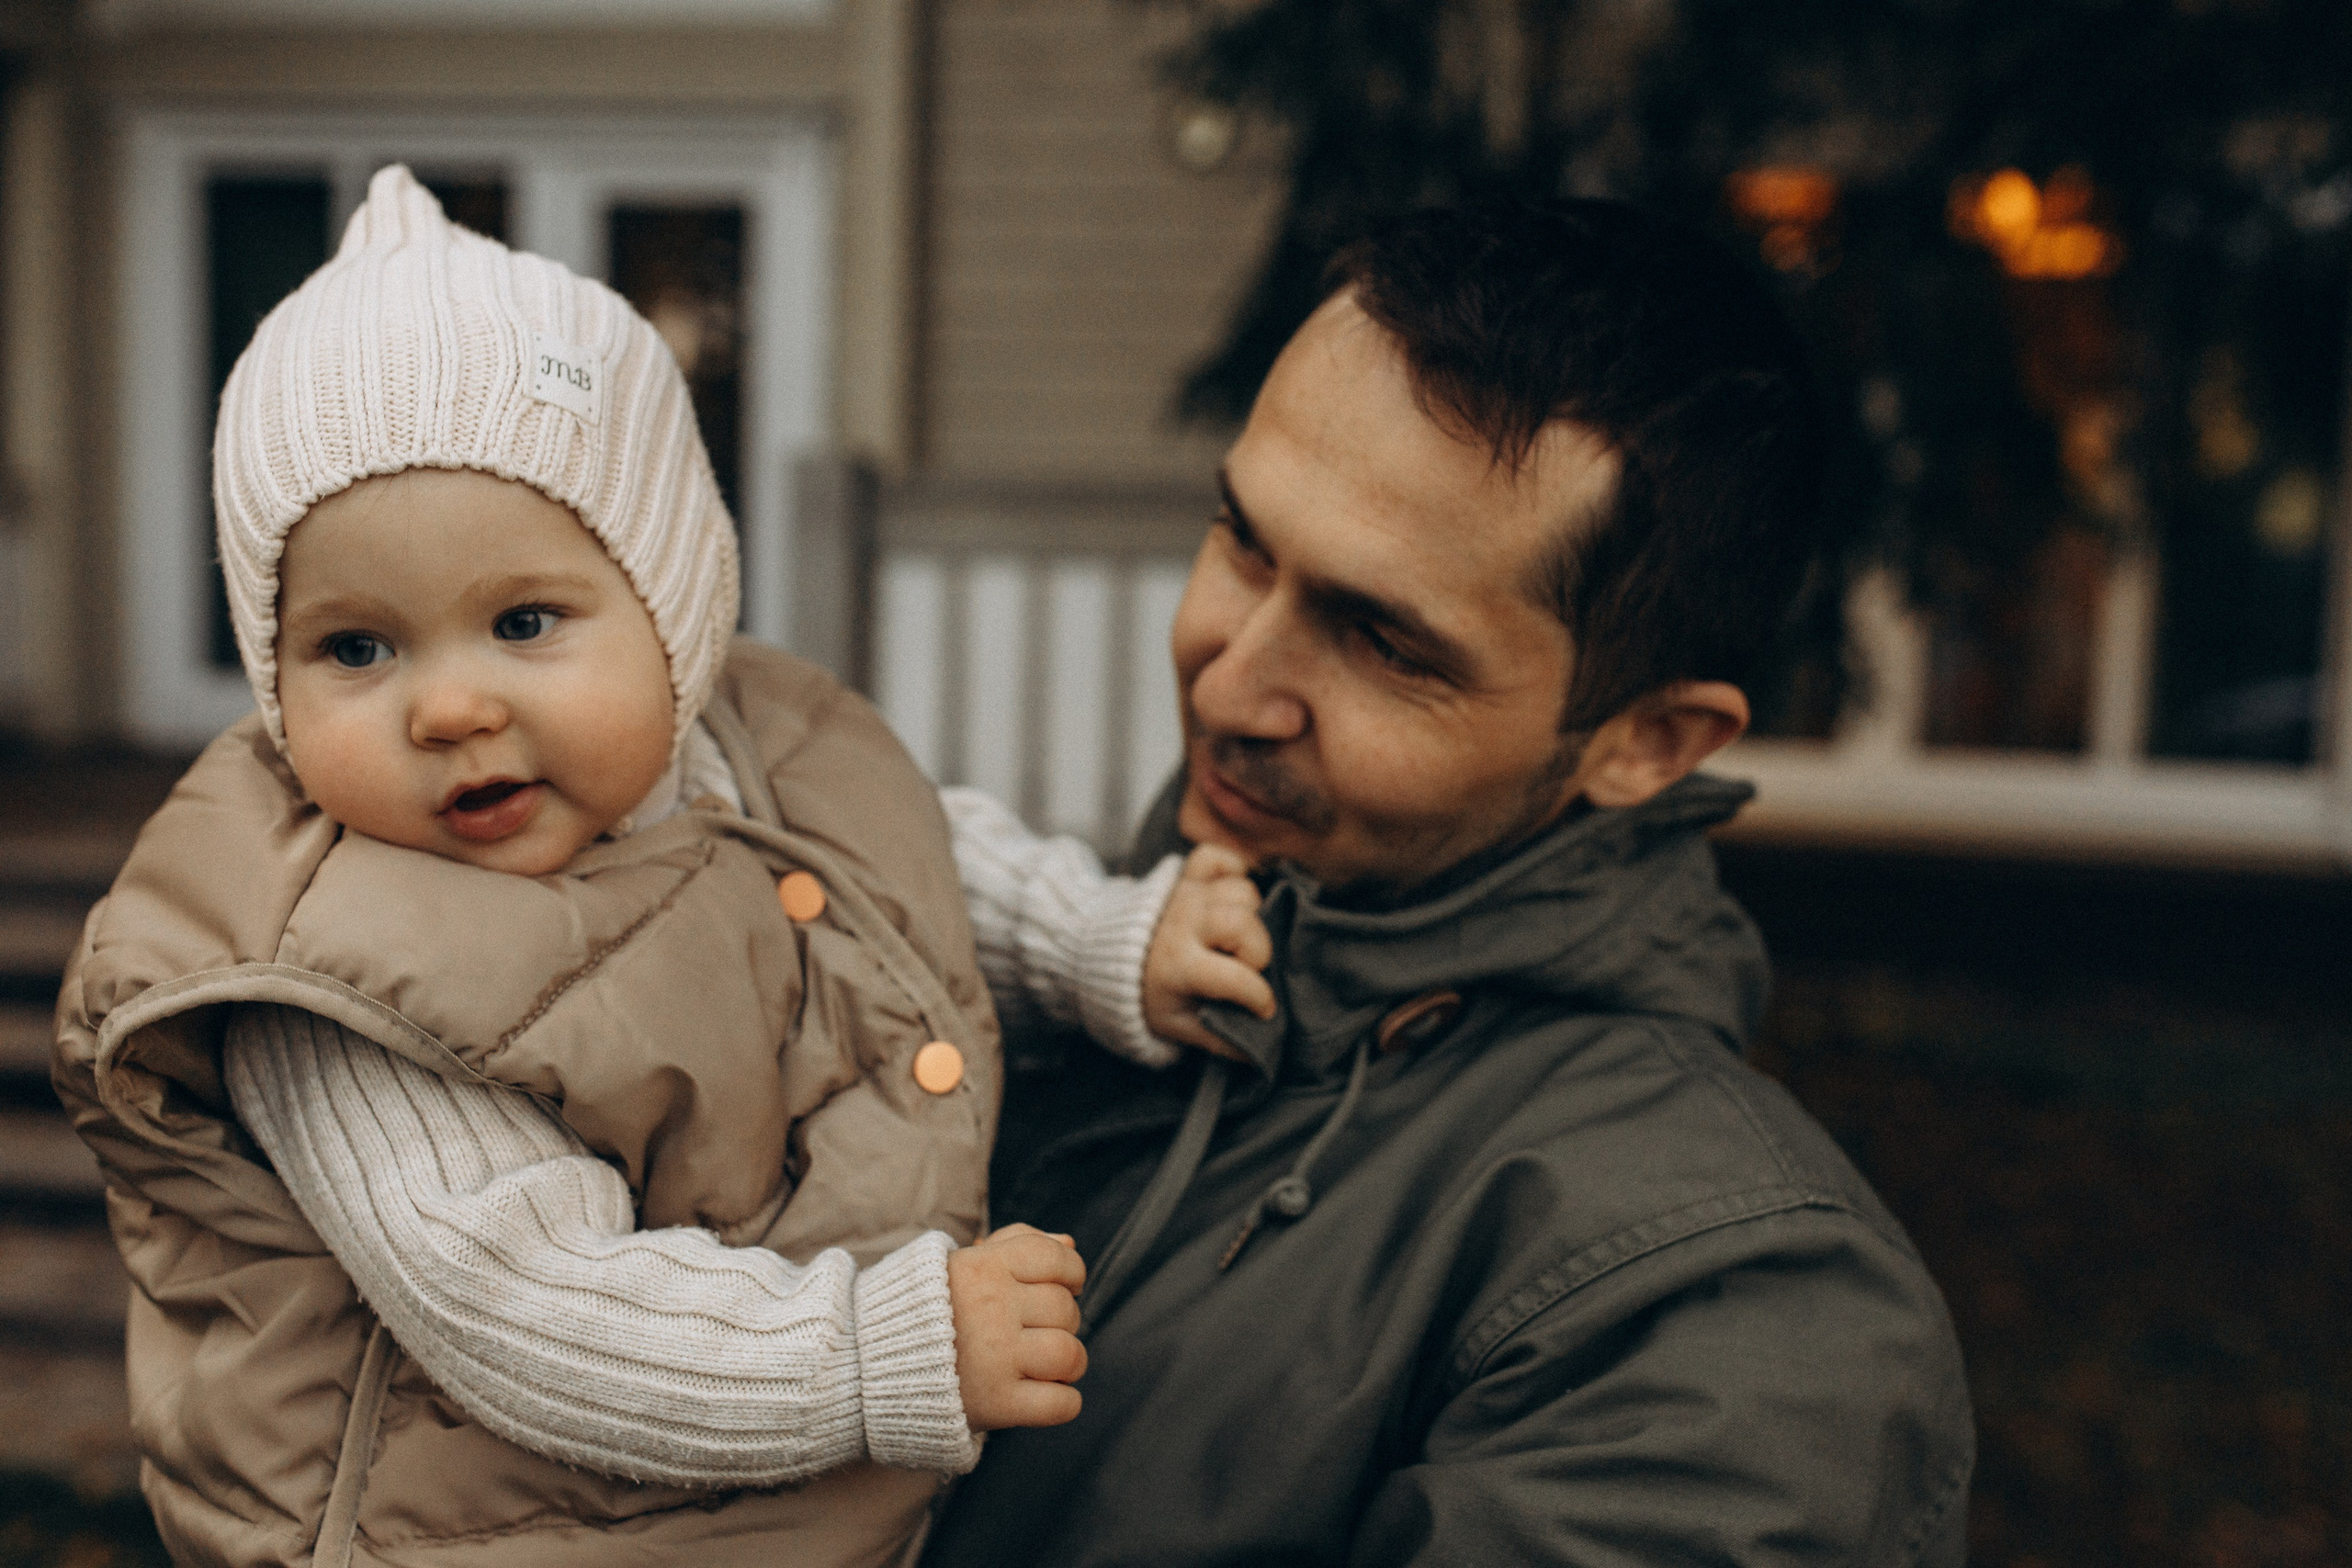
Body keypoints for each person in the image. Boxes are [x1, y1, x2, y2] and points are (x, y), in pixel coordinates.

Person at [47, 166, 1233, 1568]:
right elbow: (524, 1309)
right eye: (356, 647)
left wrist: (1099, 942)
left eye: (524, 622)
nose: (450, 707)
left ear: (673, 605)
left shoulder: (749, 745)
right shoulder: (333, 978)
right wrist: (877, 1350)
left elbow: (913, 855)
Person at [922, 199, 1976, 1565]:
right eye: (1243, 540)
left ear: (1646, 744)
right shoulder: (1031, 984)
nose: (1228, 684)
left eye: (1384, 643)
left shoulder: (1725, 1320)